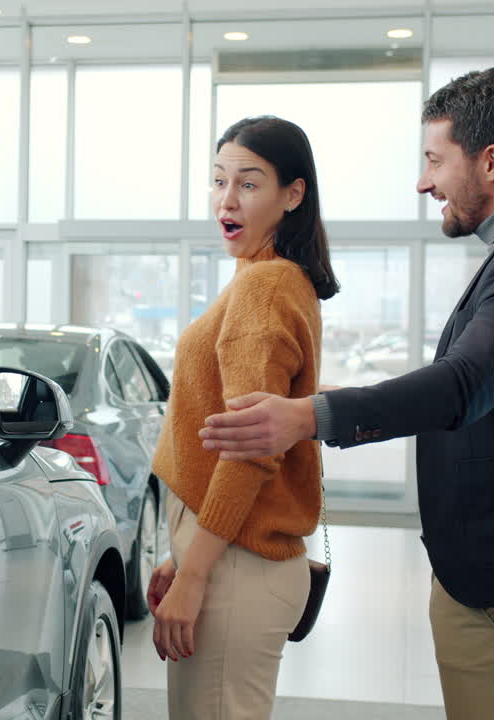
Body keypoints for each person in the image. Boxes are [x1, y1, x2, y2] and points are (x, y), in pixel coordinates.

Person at [198, 68, 494, 720]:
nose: (424, 182)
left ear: (491, 161)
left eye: (434, 160)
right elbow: (489, 386)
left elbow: (464, 386)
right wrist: (313, 401)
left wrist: (312, 416)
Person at [146, 115, 339, 719]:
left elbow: (251, 447)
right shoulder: (266, 277)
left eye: (249, 184)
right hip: (232, 557)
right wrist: (185, 557)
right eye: (218, 180)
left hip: (237, 571)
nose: (226, 200)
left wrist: (196, 573)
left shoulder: (265, 287)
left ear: (293, 194)